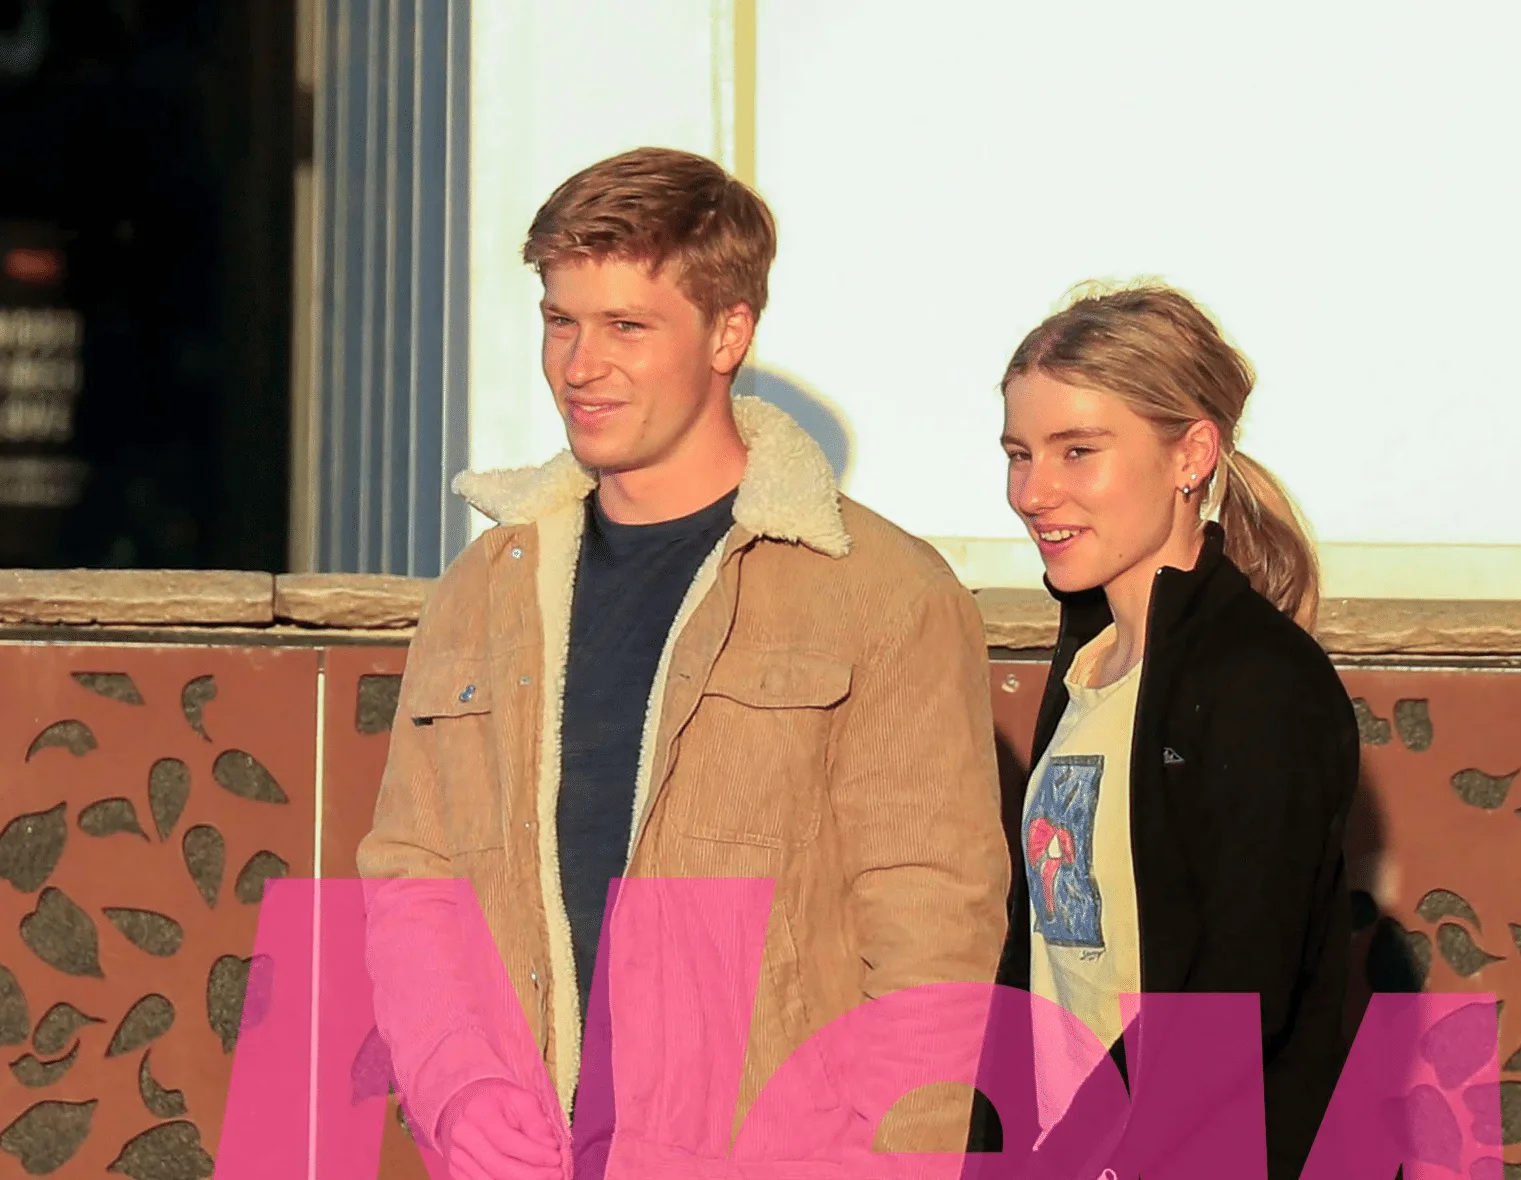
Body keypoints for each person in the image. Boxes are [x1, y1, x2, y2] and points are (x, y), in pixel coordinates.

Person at [357, 147, 1009, 1180]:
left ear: (728, 333)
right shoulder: (484, 589)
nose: (580, 365)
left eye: (626, 326)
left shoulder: (882, 593)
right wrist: (457, 1088)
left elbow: (933, 933)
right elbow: (414, 881)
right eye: (561, 321)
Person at [981, 282, 1359, 1177]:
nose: (1034, 492)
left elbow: (1239, 994)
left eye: (1078, 451)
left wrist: (1103, 1154)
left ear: (1191, 454)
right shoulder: (1089, 667)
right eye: (1019, 454)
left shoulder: (1259, 682)